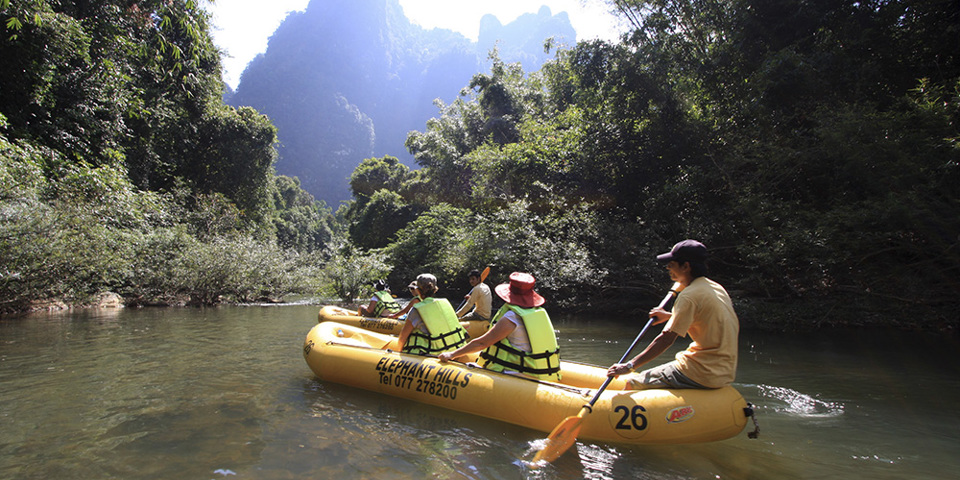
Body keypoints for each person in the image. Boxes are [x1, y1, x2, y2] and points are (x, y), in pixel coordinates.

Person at [606, 240, 739, 389]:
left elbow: (666, 339)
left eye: (672, 263)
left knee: (632, 383)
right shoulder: (715, 288)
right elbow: (704, 318)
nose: (667, 267)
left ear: (686, 266)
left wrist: (630, 366)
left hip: (700, 371)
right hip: (724, 372)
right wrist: (670, 316)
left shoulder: (689, 296)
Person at [438, 272, 561, 381]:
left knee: (471, 366)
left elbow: (482, 343)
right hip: (540, 370)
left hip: (520, 372)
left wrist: (451, 354)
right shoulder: (536, 313)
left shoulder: (512, 317)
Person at [396, 274, 469, 355]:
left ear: (418, 290)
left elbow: (402, 338)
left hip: (432, 354)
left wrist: (398, 353)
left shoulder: (416, 310)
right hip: (454, 349)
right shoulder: (445, 303)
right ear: (435, 290)